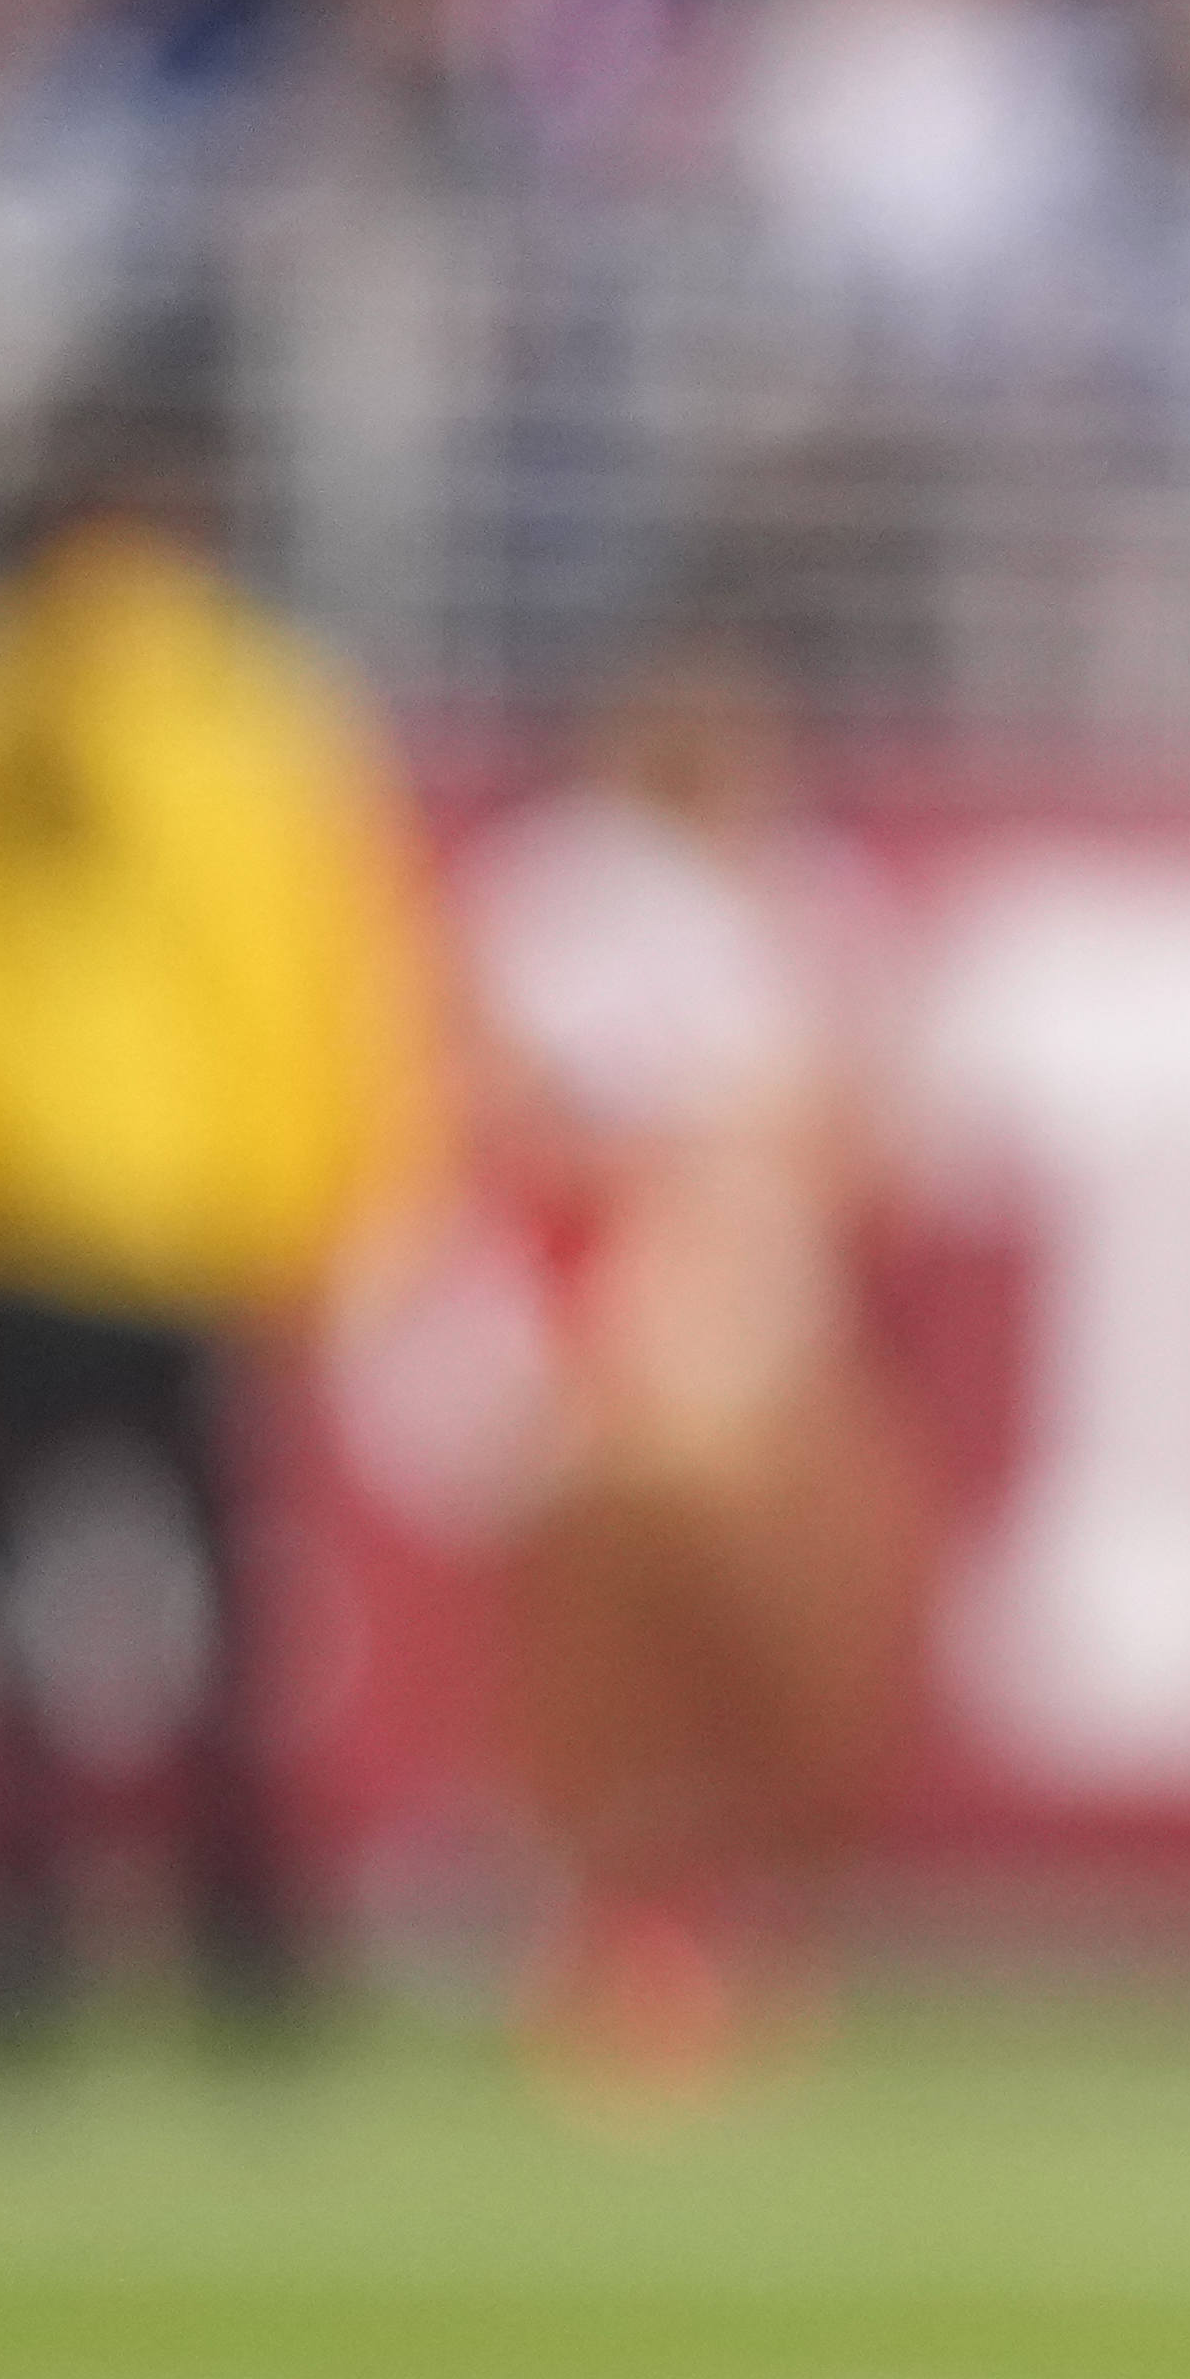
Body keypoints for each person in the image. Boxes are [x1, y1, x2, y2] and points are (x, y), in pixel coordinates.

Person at [0, 428, 439, 2047]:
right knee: (213, 1616)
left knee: (23, 1623)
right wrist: (332, 1196)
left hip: (12, 1220)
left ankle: (23, 1956)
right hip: (178, 1227)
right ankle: (245, 1956)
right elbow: (315, 981)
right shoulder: (252, 709)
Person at [469, 647, 911, 2085]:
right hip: (600, 1343)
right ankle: (621, 1913)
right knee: (619, 1642)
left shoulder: (810, 904)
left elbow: (853, 1136)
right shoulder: (558, 905)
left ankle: (733, 1903)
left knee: (789, 1632)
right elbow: (514, 1120)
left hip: (762, 1343)